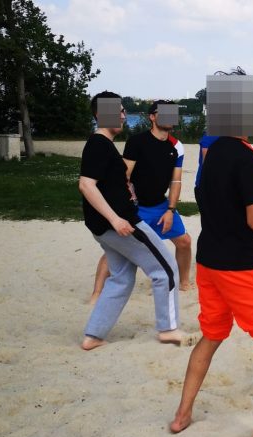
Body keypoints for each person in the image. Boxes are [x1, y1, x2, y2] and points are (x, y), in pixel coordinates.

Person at [171, 69, 253, 437]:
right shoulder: (244, 155)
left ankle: (182, 414)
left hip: (208, 261)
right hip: (238, 264)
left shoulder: (211, 151)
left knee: (211, 335)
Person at [78, 91, 193, 350]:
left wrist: (125, 192)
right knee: (165, 270)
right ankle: (169, 330)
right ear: (99, 114)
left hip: (105, 227)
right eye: (116, 110)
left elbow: (111, 182)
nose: (122, 114)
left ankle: (93, 336)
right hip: (122, 225)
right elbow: (86, 185)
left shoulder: (105, 145)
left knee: (121, 278)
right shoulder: (99, 143)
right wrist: (116, 219)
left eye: (121, 111)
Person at [123, 100, 193, 291]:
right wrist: (127, 200)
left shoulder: (177, 146)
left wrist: (171, 209)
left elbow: (176, 181)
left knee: (184, 242)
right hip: (137, 207)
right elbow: (124, 175)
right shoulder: (136, 142)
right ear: (152, 117)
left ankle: (184, 282)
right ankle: (97, 291)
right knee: (120, 251)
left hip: (161, 205)